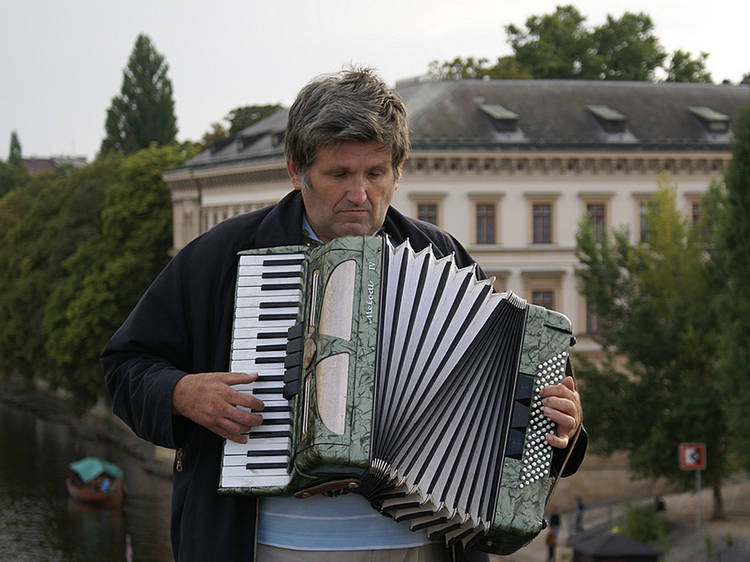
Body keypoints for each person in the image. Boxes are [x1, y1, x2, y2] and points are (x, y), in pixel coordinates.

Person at [101, 67, 587, 562]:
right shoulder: (223, 256)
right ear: (297, 171)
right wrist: (182, 394)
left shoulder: (441, 255)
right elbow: (126, 366)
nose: (359, 194)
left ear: (397, 174)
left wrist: (560, 428)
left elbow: (510, 393)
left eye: (375, 174)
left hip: (422, 546)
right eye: (339, 175)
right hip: (268, 547)